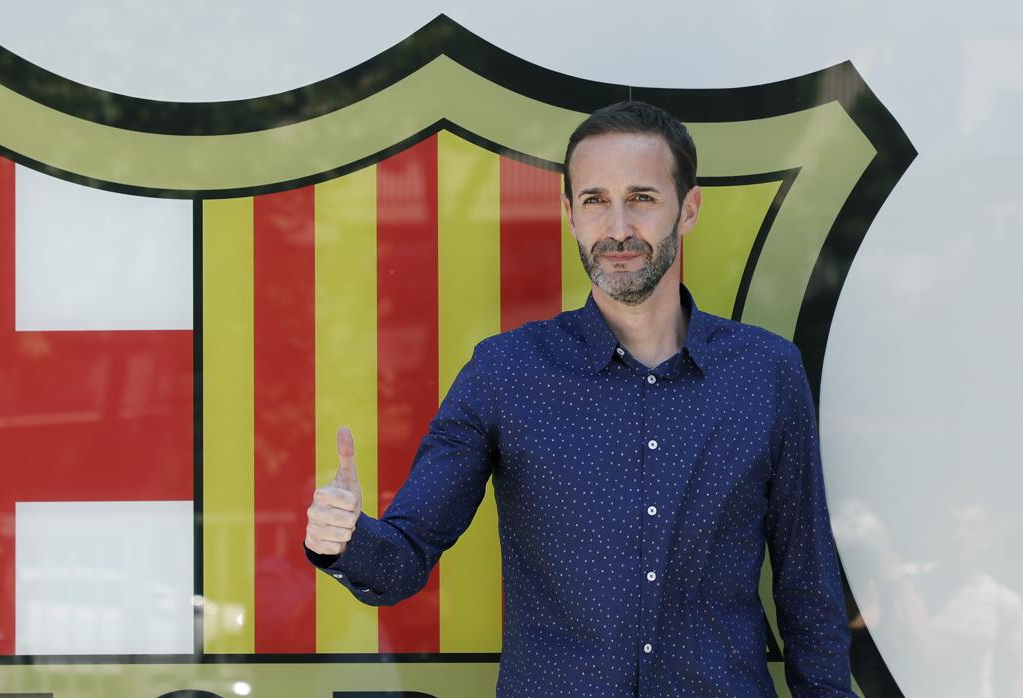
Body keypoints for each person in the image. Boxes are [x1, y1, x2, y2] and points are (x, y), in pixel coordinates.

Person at [304, 101, 853, 697]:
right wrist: (347, 539)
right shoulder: (506, 373)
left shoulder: (765, 372)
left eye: (642, 197)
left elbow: (809, 590)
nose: (617, 228)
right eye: (594, 200)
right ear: (569, 213)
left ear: (688, 208)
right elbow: (406, 558)